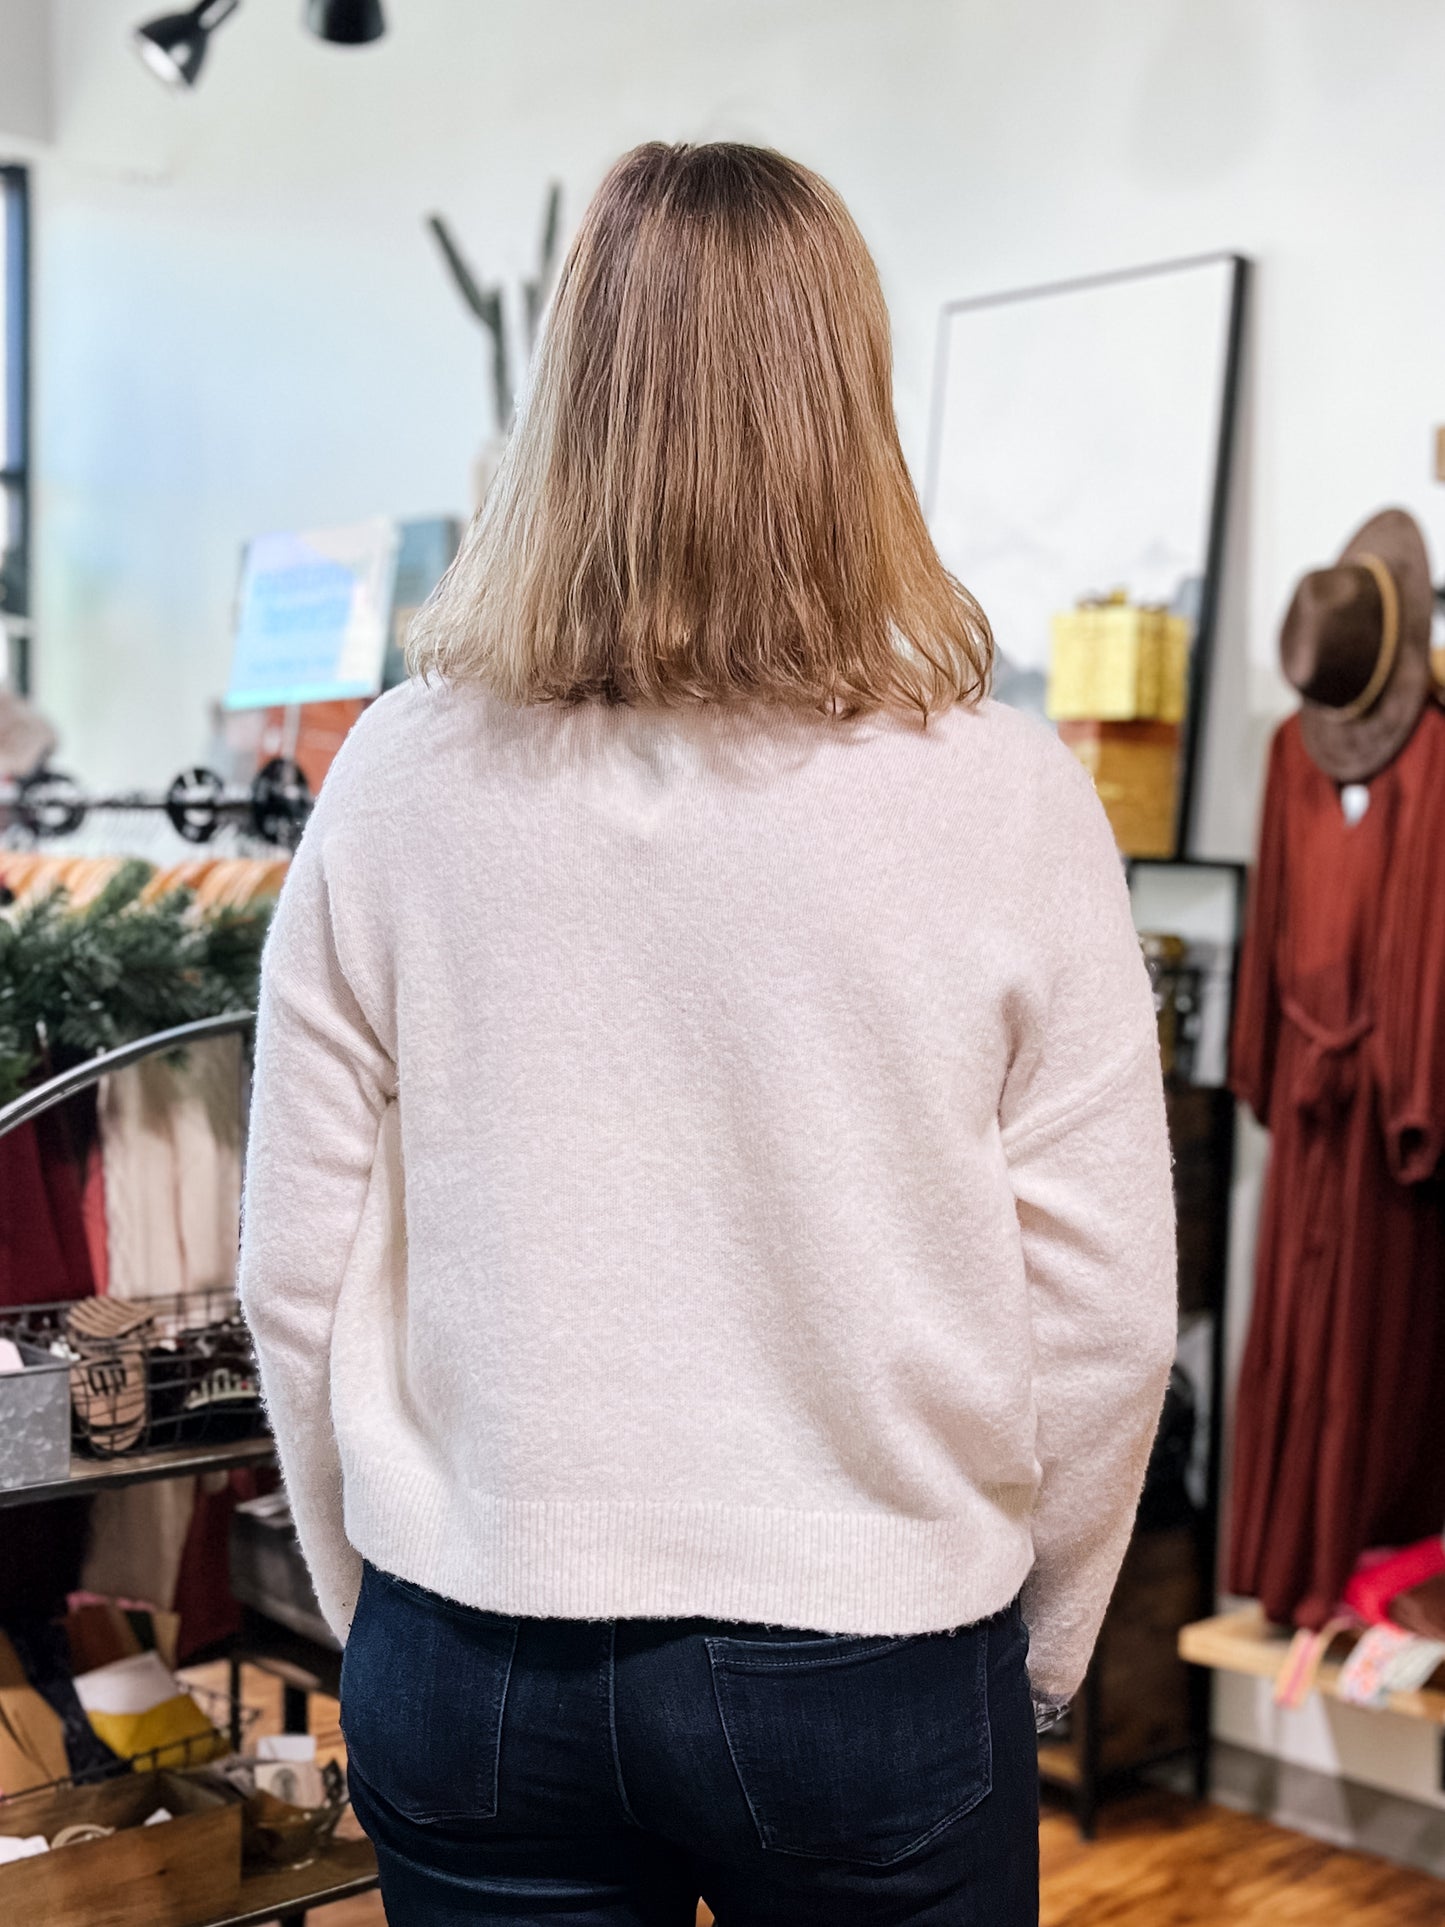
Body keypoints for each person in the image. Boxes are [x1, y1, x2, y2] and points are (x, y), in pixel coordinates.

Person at [239, 140, 1176, 1927]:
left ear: (568, 394)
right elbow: (1103, 1307)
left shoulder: (397, 780)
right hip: (872, 1653)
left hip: (472, 1638)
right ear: (850, 400)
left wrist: (391, 1599)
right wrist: (1030, 1644)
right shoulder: (1000, 796)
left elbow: (297, 1267)